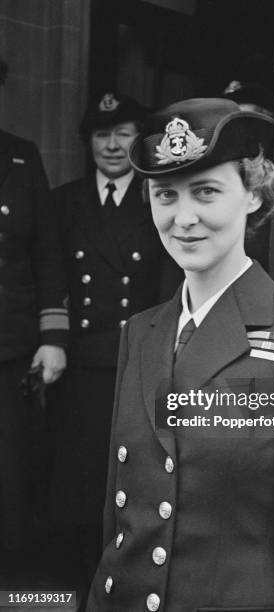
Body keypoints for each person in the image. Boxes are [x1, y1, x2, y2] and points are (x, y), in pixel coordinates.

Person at [86, 98, 274, 611]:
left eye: (207, 192)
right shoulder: (143, 333)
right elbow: (120, 516)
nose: (183, 217)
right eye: (165, 195)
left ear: (254, 196)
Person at [47, 92, 181, 604]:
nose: (110, 145)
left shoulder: (159, 199)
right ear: (88, 142)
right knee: (78, 479)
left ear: (138, 141)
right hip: (77, 363)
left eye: (122, 134)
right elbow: (50, 274)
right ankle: (72, 587)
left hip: (132, 358)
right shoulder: (64, 200)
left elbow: (167, 283)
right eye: (101, 135)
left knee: (125, 473)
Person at [0, 57, 68, 555]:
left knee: (10, 467)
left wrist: (52, 338)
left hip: (12, 344)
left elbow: (47, 252)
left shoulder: (21, 158)